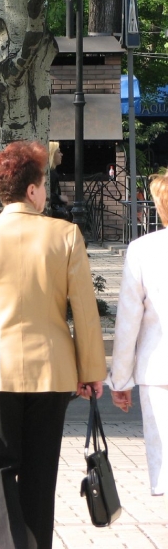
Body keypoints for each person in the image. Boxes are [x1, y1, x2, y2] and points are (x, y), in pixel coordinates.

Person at [0, 141, 106, 549]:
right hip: (52, 371)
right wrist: (91, 372)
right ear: (32, 191)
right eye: (44, 183)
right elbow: (84, 311)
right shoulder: (65, 235)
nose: (45, 191)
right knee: (39, 470)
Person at [108, 171, 168, 500]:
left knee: (165, 460)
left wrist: (120, 380)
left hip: (159, 369)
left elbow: (129, 321)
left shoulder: (144, 250)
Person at [48, 141, 71, 221]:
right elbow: (47, 194)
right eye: (58, 152)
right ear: (52, 154)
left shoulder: (52, 172)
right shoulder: (51, 174)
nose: (61, 154)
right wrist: (60, 198)